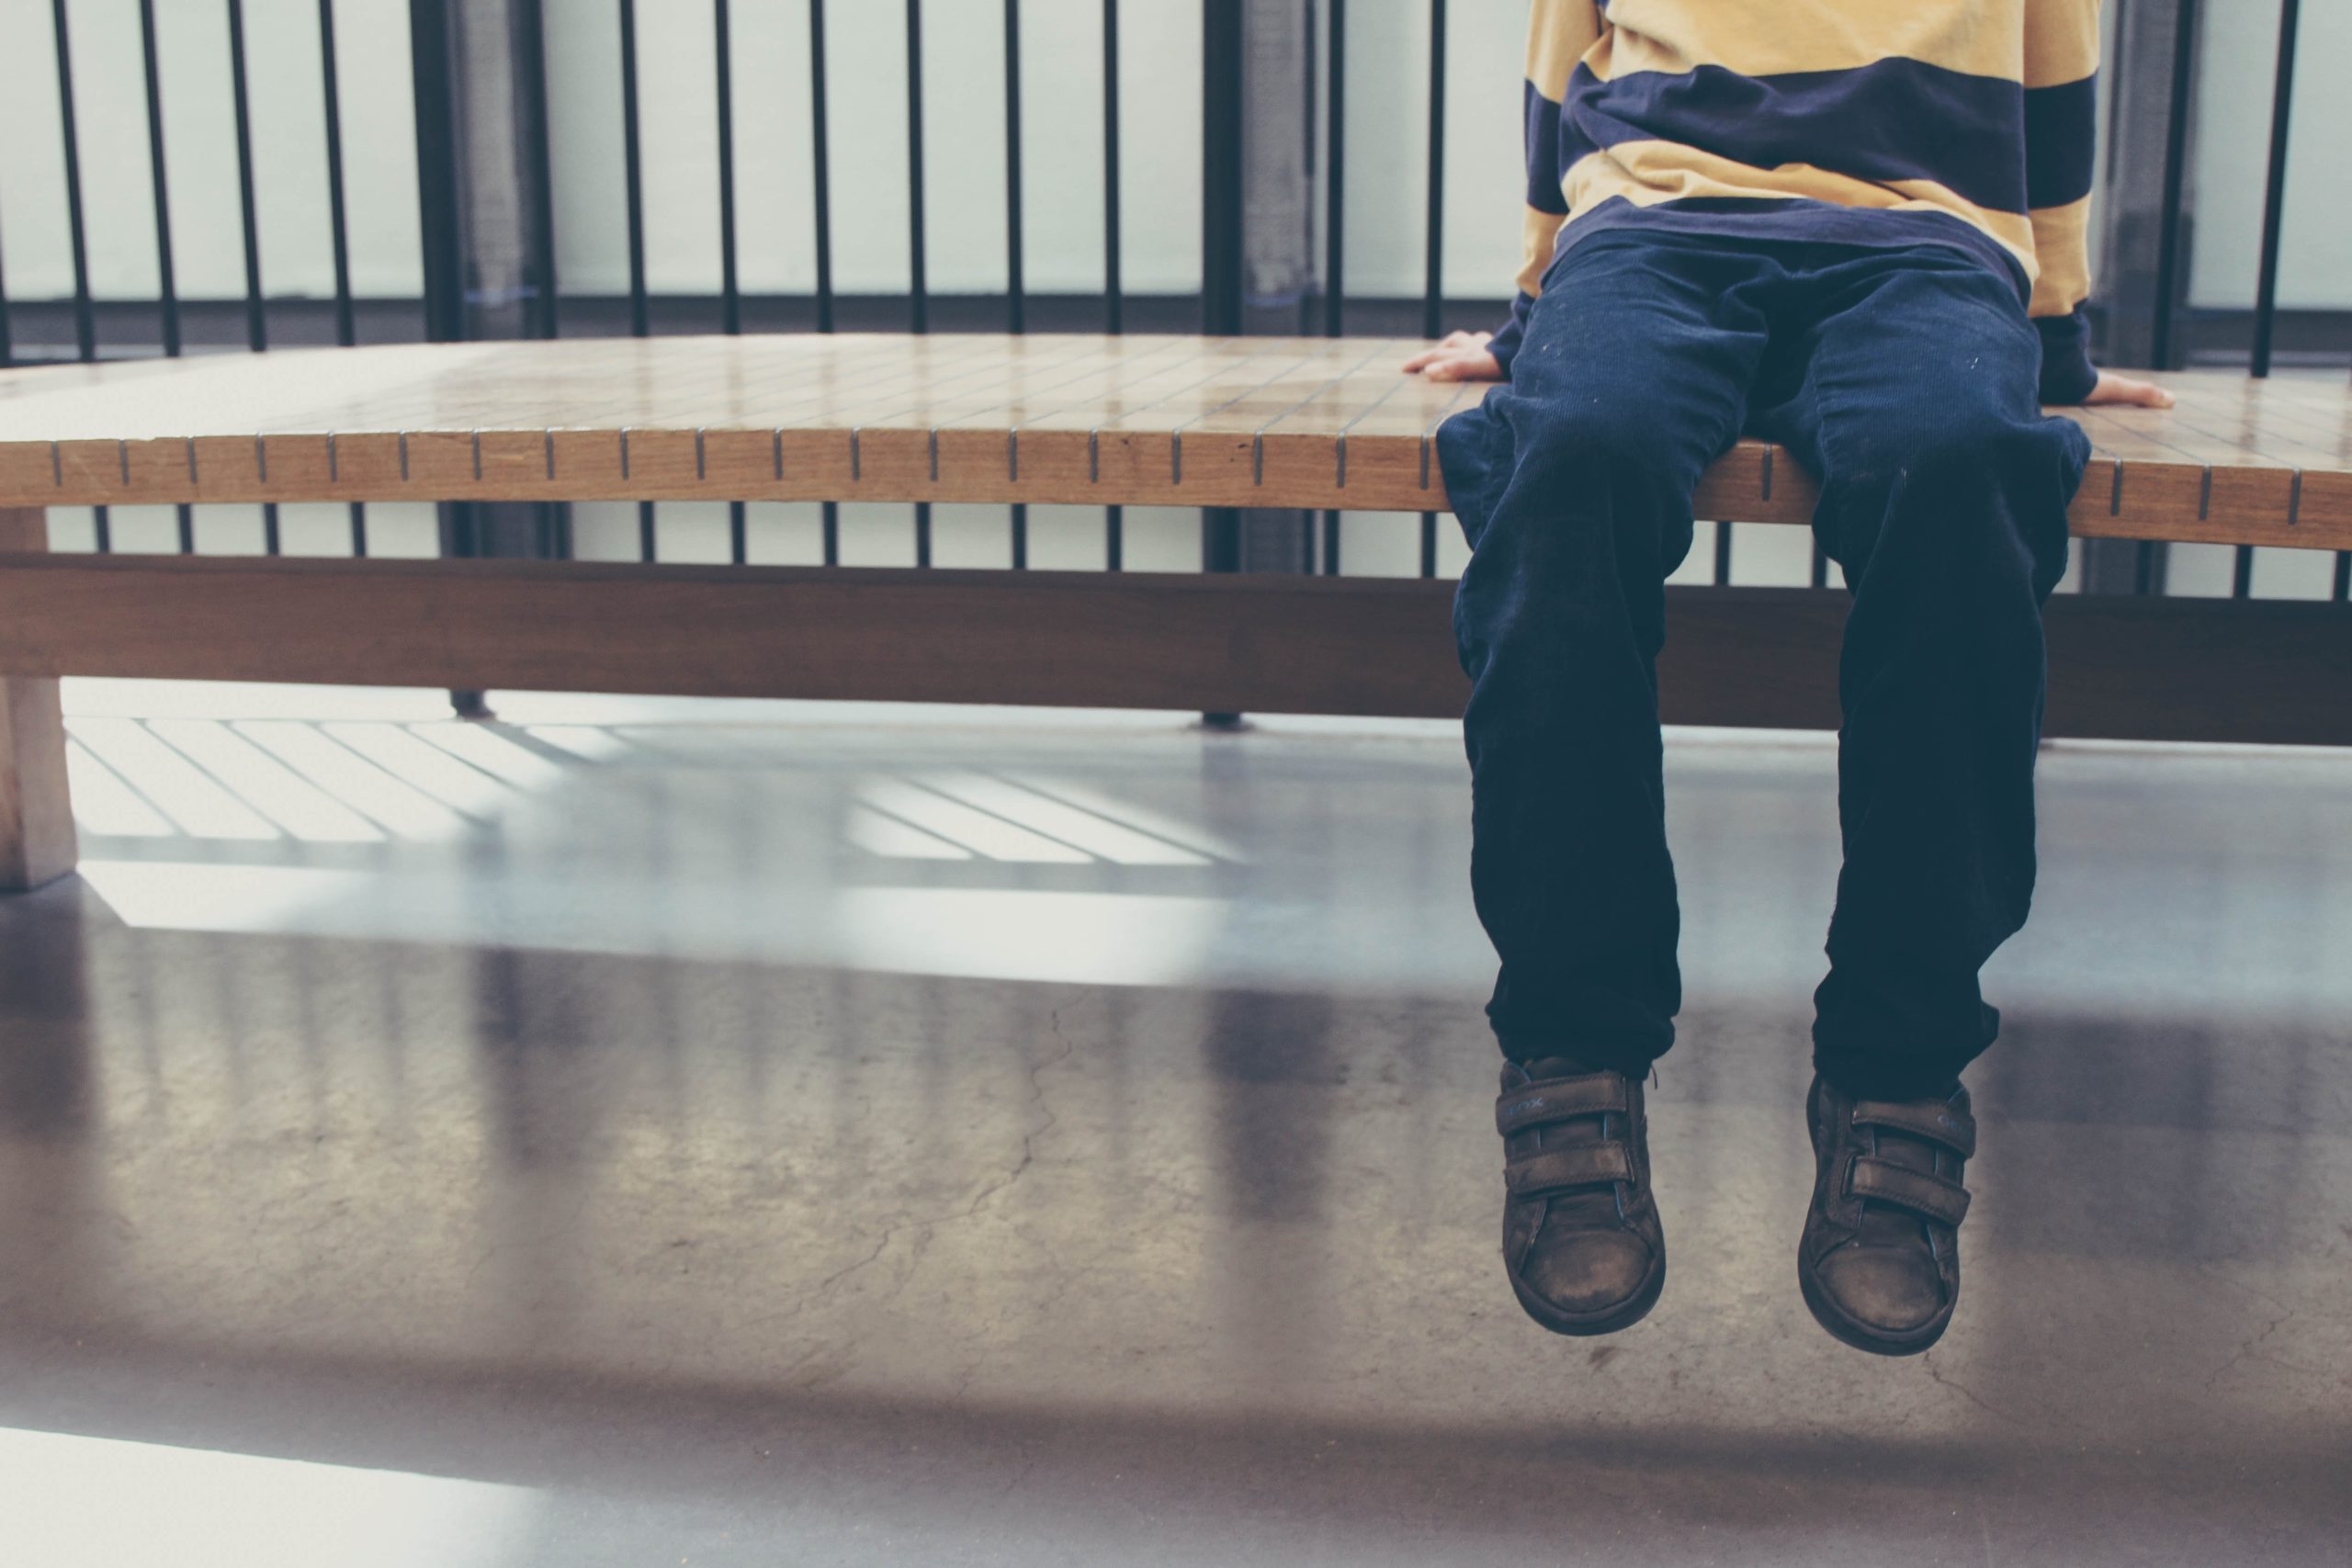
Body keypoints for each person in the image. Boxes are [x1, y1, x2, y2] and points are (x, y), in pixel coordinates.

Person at [1404, 0, 2170, 1356]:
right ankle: (1575, 1049)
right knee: (1567, 459)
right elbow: (1555, 69)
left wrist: (2051, 345)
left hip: (1926, 249)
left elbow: (2055, 88)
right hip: (1649, 233)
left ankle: (1897, 1066)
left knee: (1964, 469)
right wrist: (1533, 317)